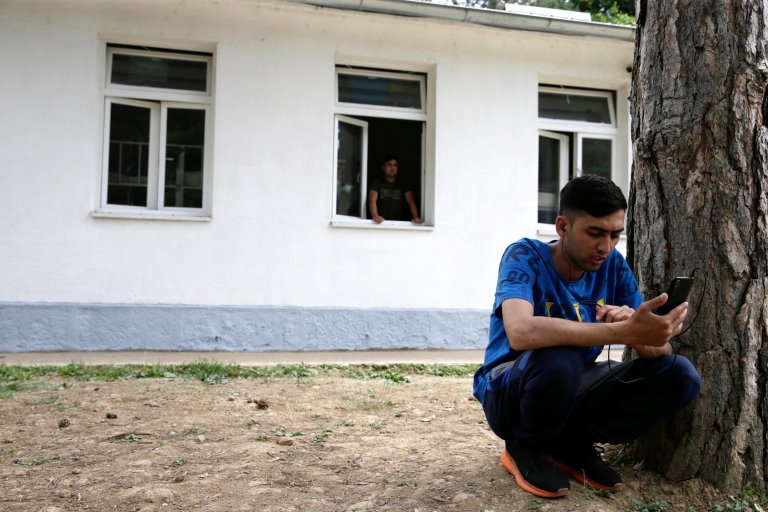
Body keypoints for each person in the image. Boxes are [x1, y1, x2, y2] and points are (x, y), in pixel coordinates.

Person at [472, 175, 701, 499]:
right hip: (507, 389)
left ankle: (569, 443)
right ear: (563, 226)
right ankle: (526, 446)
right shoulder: (524, 256)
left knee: (678, 373)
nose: (605, 247)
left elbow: (656, 350)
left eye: (614, 235)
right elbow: (520, 331)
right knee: (560, 357)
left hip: (570, 385)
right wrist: (621, 331)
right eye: (595, 233)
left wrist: (647, 333)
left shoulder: (613, 266)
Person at [368, 155, 423, 224]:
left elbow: (411, 202)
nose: (392, 168)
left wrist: (416, 217)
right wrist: (376, 217)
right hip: (381, 223)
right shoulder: (377, 182)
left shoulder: (403, 184)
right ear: (383, 167)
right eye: (389, 165)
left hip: (399, 224)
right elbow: (372, 200)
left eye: (395, 165)